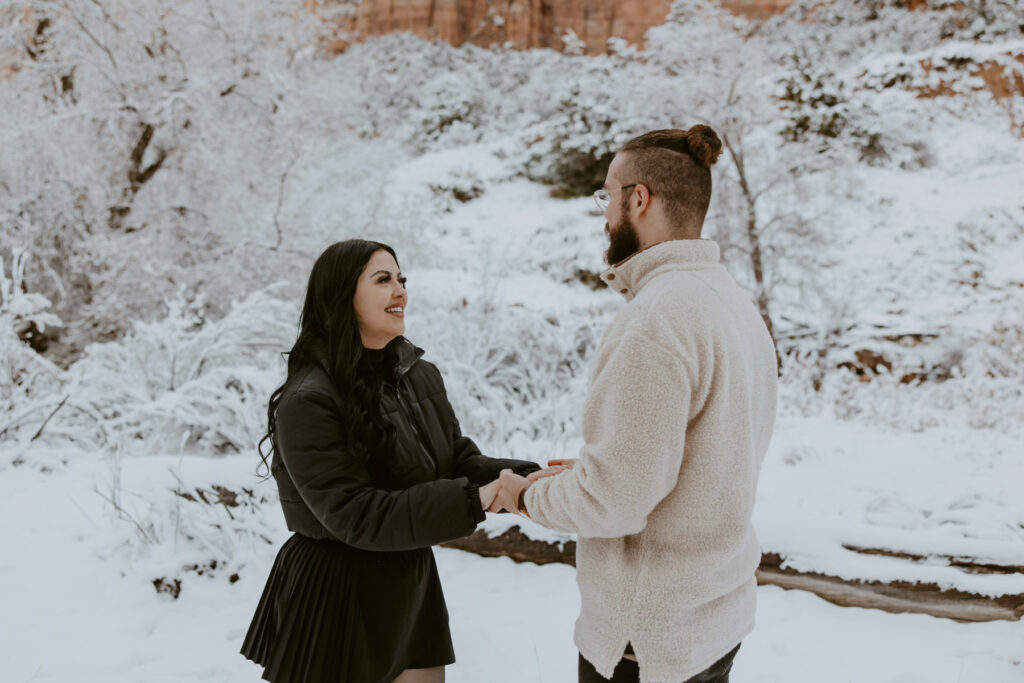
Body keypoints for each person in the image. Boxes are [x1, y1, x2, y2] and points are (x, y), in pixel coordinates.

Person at [493, 126, 779, 683]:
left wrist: (525, 496)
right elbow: (705, 455)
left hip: (646, 645)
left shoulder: (655, 320)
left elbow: (615, 503)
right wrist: (607, 468)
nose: (602, 213)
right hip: (712, 623)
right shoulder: (732, 303)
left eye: (607, 195)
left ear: (639, 198)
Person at [240, 239, 540, 683]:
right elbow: (355, 514)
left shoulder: (418, 375)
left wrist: (531, 479)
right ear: (343, 296)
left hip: (408, 572)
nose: (400, 291)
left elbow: (454, 459)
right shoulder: (308, 400)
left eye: (402, 279)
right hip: (334, 590)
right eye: (383, 280)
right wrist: (478, 499)